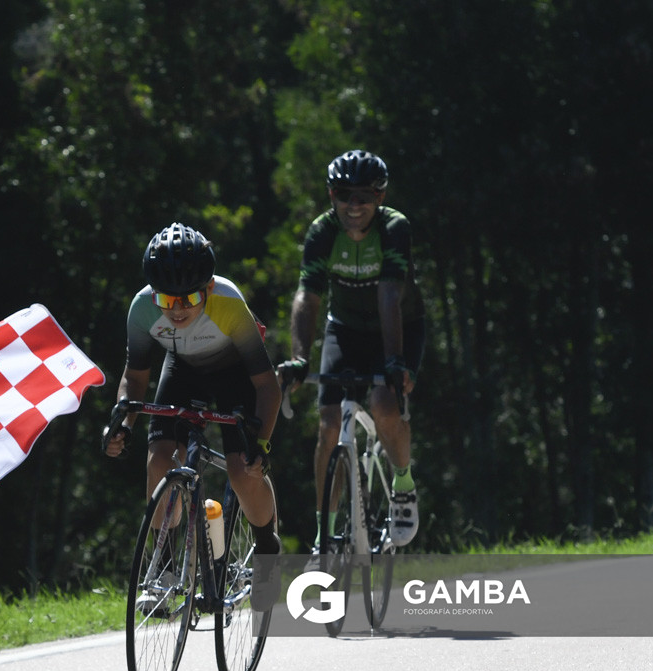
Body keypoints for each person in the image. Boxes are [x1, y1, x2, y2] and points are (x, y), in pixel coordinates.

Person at [102, 222, 282, 555]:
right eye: (166, 299)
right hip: (183, 368)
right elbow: (135, 377)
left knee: (242, 472)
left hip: (234, 372)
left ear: (209, 287)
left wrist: (260, 446)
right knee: (160, 462)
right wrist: (124, 424)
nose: (177, 309)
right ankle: (164, 566)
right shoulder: (142, 308)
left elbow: (267, 385)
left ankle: (267, 541)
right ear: (153, 292)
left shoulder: (229, 303)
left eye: (189, 298)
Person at [278, 149, 425, 550]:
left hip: (397, 326)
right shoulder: (322, 231)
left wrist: (394, 361)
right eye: (344, 195)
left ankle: (403, 484)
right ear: (331, 195)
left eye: (364, 195)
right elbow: (308, 295)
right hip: (344, 329)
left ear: (380, 197)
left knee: (384, 403)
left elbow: (390, 295)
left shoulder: (394, 227)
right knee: (328, 426)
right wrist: (300, 357)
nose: (354, 205)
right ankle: (323, 534)